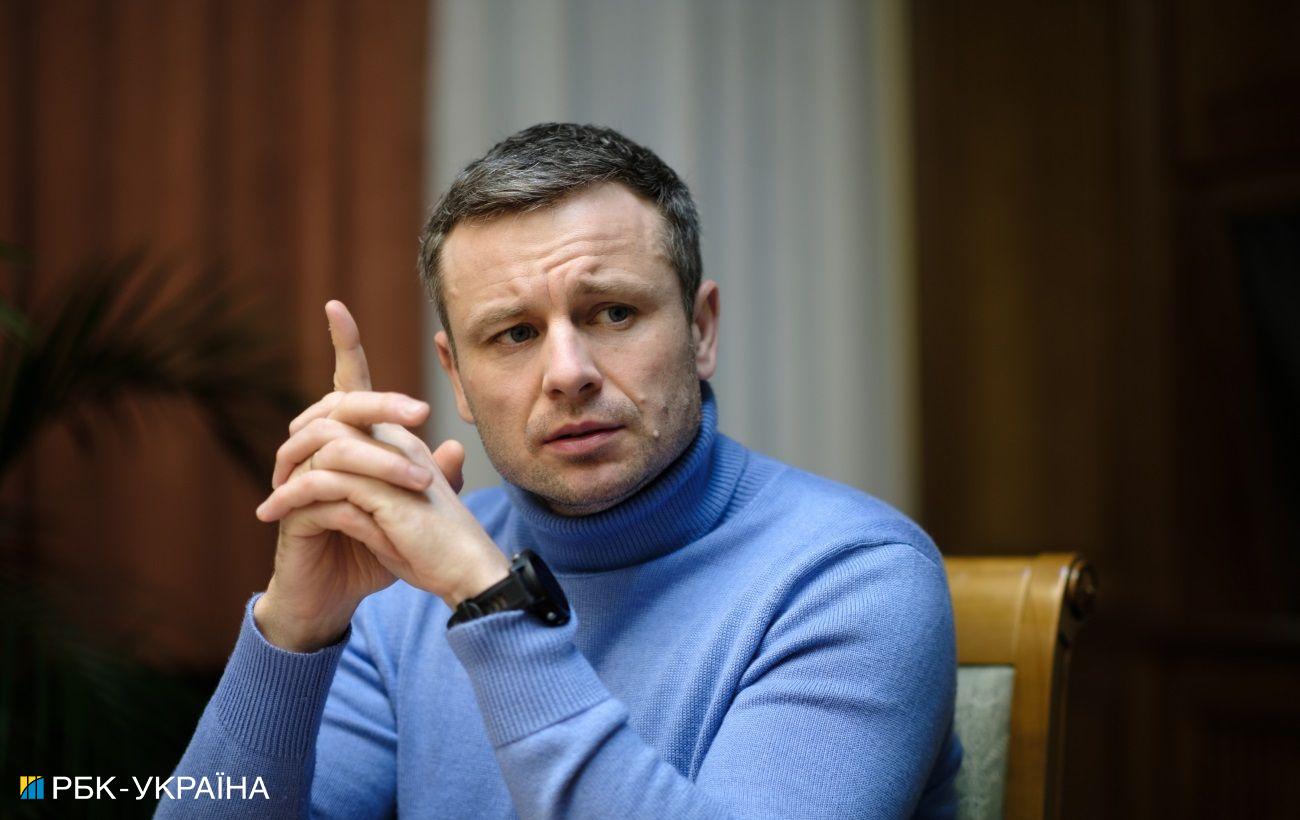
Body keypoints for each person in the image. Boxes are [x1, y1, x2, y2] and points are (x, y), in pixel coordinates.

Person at [158, 123, 962, 818]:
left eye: (613, 313)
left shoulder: (857, 578)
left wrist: (492, 602)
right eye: (514, 333)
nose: (569, 372)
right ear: (457, 378)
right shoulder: (402, 584)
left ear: (701, 330)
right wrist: (294, 632)